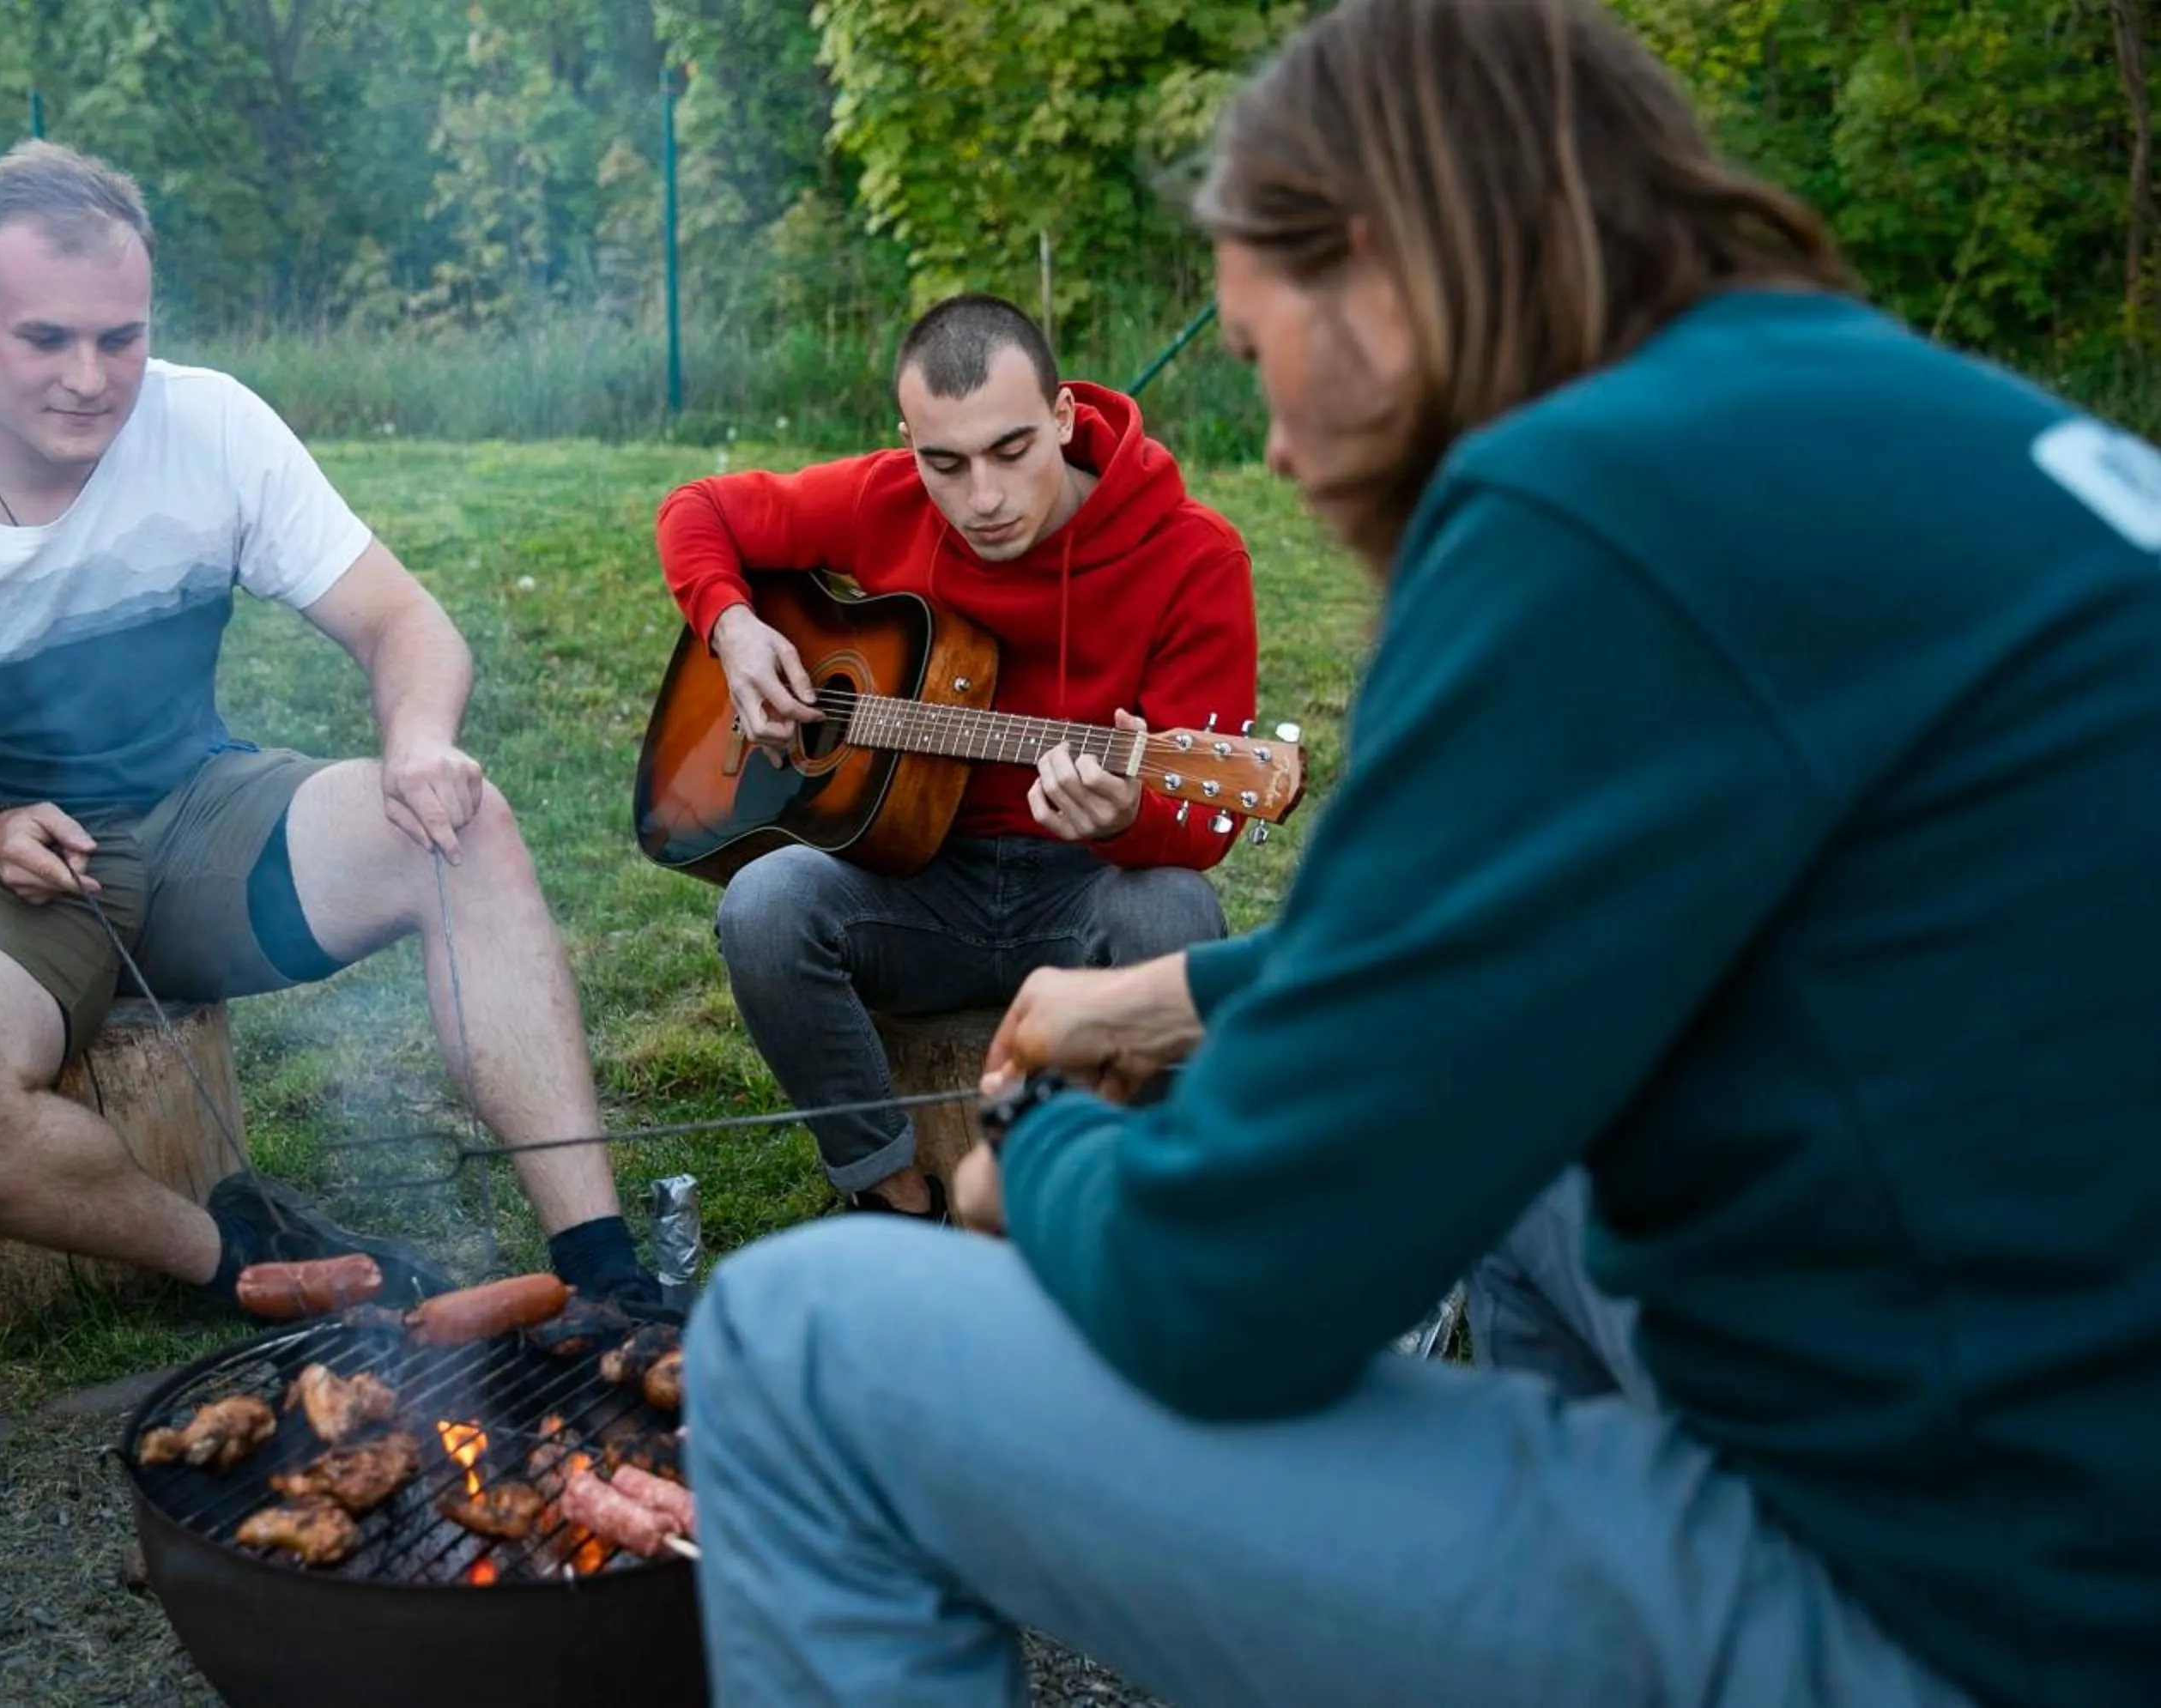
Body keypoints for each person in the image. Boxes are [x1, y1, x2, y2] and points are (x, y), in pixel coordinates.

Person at [681, 1, 2161, 1704]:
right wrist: (1194, 986)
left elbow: (1230, 1274)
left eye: (1258, 355)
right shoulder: (1906, 420)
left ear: (1376, 264)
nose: (1289, 449)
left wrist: (1027, 1156)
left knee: (793, 1337)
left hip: (1948, 1598)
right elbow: (1539, 947)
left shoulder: (1575, 503)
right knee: (1540, 1186)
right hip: (2080, 1494)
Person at [0, 139, 659, 1316]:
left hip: (195, 811)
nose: (92, 377)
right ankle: (230, 1256)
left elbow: (403, 619)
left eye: (123, 336)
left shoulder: (211, 424)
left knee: (462, 823)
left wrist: (416, 737)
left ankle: (606, 1270)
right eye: (45, 338)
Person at [653, 294, 1259, 1218]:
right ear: (908, 443)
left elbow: (1202, 820)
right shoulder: (885, 500)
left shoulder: (1193, 557)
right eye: (946, 462)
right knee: (765, 906)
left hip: (1087, 887)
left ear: (1062, 418)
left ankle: (1144, 1209)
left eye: (1012, 451)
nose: (982, 497)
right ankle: (891, 1190)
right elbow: (697, 510)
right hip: (917, 882)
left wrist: (1132, 814)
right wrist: (733, 629)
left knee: (1175, 912)